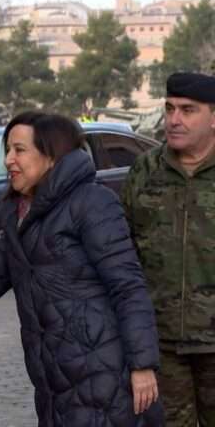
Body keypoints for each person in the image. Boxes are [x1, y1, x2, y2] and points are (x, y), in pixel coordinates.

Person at [0, 111, 164, 426]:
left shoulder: (92, 203)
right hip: (55, 385)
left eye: (19, 150)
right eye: (7, 150)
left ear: (52, 156)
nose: (8, 160)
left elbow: (128, 286)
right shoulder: (20, 218)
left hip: (106, 378)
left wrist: (143, 366)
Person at [122, 72, 215, 426]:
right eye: (170, 108)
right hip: (161, 345)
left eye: (188, 110)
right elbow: (125, 255)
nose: (174, 119)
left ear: (213, 117)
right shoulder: (145, 171)